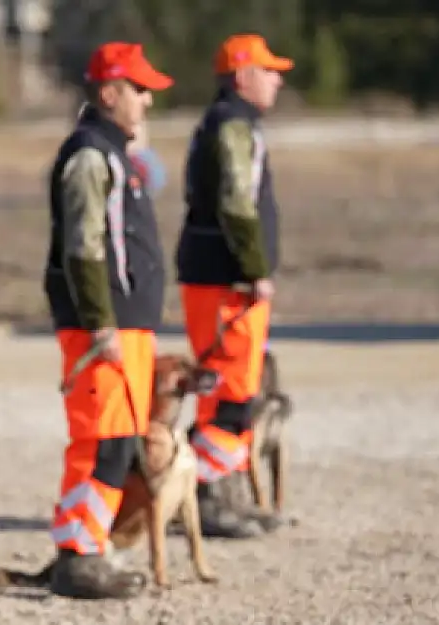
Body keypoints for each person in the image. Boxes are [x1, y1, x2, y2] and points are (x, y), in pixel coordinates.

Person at [42, 41, 173, 600]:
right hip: (105, 328)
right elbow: (84, 249)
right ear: (110, 92)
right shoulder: (91, 156)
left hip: (128, 326)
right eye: (139, 89)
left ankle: (92, 545)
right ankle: (77, 556)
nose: (147, 100)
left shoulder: (115, 153)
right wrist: (100, 324)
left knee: (119, 442)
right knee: (100, 442)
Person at [174, 33, 292, 539]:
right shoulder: (234, 125)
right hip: (227, 279)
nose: (278, 78)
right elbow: (237, 204)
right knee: (228, 390)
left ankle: (221, 490)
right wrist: (255, 268)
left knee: (233, 387)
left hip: (219, 276)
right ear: (243, 76)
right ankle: (210, 493)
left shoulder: (229, 123)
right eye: (269, 70)